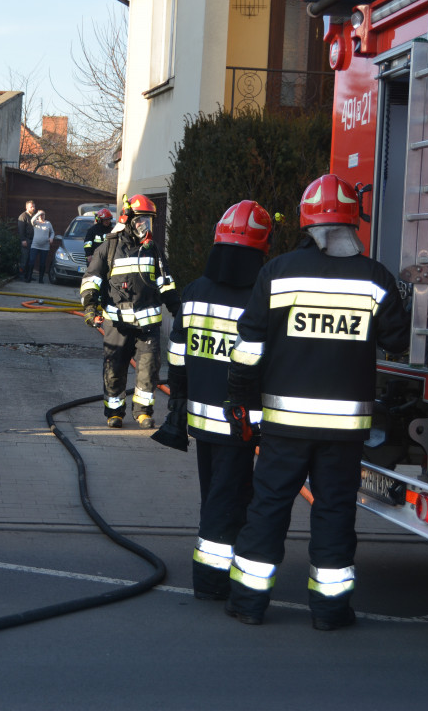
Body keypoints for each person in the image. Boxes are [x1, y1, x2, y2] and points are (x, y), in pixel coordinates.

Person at [223, 174, 410, 630]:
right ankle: (329, 612)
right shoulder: (375, 278)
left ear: (306, 223)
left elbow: (248, 349)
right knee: (334, 512)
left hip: (285, 424)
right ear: (352, 222)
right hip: (344, 430)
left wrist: (240, 403)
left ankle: (248, 603)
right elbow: (397, 341)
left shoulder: (278, 272)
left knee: (268, 507)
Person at [153, 201, 273, 601]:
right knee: (229, 499)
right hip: (239, 422)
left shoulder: (194, 291)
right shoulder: (260, 299)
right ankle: (211, 581)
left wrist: (178, 403)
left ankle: (219, 567)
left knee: (216, 495)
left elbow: (177, 356)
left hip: (200, 419)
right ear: (261, 248)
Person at [80, 194, 181, 430]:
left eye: (148, 220)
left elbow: (166, 283)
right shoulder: (109, 246)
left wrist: (178, 311)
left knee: (148, 371)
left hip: (147, 327)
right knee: (114, 370)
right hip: (117, 324)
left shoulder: (153, 250)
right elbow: (91, 279)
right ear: (128, 220)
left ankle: (143, 413)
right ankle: (115, 413)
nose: (144, 225)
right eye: (140, 220)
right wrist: (89, 306)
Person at [26, 210, 55, 283]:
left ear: (45, 215)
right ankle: (29, 277)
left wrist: (51, 238)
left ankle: (41, 279)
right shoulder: (36, 223)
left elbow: (52, 232)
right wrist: (39, 213)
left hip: (45, 247)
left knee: (42, 263)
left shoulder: (48, 223)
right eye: (40, 215)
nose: (41, 216)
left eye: (43, 215)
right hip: (35, 245)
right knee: (31, 261)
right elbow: (32, 219)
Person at [17, 200, 36, 280]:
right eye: (31, 207)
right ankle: (21, 276)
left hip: (33, 241)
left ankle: (28, 276)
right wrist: (23, 240)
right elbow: (21, 230)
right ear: (27, 207)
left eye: (34, 206)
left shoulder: (34, 216)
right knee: (24, 259)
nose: (33, 208)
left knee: (30, 260)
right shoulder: (23, 216)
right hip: (26, 240)